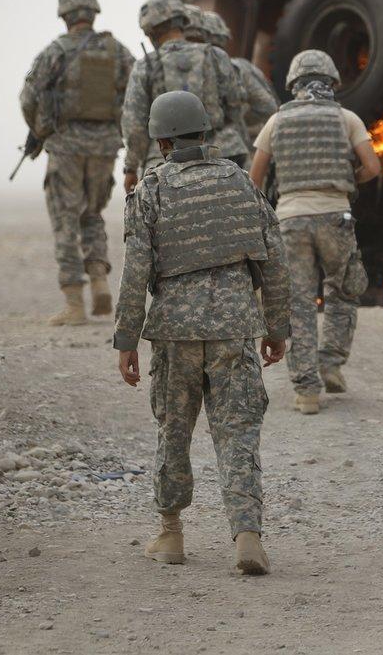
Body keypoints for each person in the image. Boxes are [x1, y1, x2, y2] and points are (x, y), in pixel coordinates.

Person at [114, 90, 291, 575]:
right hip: (235, 327)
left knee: (174, 429)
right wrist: (277, 327)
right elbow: (274, 259)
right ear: (206, 135)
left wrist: (126, 339)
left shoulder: (150, 191)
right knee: (238, 431)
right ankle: (248, 538)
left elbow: (135, 270)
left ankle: (170, 534)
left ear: (162, 141)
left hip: (175, 331)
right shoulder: (238, 182)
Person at [248, 50, 381, 414]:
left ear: (293, 84)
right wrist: (346, 181)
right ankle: (331, 363)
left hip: (290, 219)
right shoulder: (346, 118)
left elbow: (254, 177)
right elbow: (372, 165)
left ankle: (306, 391)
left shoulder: (278, 121)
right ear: (332, 83)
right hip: (336, 216)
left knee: (299, 303)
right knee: (342, 290)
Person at [19, 0, 134, 325]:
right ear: (93, 13)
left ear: (65, 15)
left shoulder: (55, 51)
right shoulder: (118, 51)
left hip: (66, 146)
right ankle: (99, 279)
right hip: (105, 147)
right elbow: (138, 93)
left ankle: (74, 304)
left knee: (65, 220)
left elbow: (28, 97)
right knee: (93, 213)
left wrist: (41, 131)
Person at [121, 0, 248, 186]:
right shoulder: (216, 56)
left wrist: (131, 168)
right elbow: (235, 106)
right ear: (182, 21)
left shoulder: (145, 66)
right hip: (220, 153)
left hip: (164, 160)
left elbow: (135, 125)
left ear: (151, 29)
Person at [202, 10, 279, 144]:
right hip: (237, 149)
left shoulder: (187, 69)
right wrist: (237, 119)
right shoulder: (239, 67)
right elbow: (269, 108)